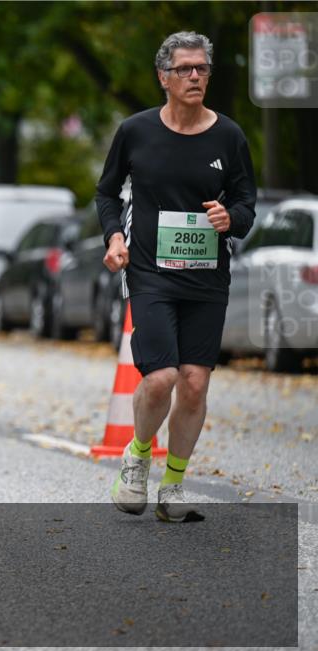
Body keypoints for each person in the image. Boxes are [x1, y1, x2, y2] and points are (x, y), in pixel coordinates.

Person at [98, 32, 256, 522]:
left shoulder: (228, 136)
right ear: (163, 77)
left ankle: (174, 485)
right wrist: (114, 238)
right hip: (150, 272)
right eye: (185, 69)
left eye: (202, 69)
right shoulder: (136, 131)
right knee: (162, 375)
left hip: (207, 278)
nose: (195, 77)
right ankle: (139, 455)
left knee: (193, 384)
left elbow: (247, 205)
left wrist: (231, 218)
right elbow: (107, 194)